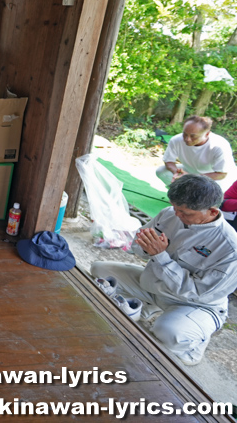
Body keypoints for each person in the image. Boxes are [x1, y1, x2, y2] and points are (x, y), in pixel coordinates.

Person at [91, 174, 237, 366]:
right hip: (155, 285)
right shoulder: (170, 213)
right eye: (176, 208)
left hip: (195, 304)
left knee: (169, 331)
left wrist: (160, 256)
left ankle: (193, 347)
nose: (177, 215)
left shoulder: (229, 247)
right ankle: (150, 306)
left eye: (185, 212)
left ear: (211, 211)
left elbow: (195, 292)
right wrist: (146, 247)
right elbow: (139, 246)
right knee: (99, 269)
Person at [156, 115, 236, 191]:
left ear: (207, 134)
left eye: (193, 136)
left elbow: (221, 174)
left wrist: (191, 177)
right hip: (189, 172)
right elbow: (168, 161)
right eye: (185, 134)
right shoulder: (176, 140)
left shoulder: (219, 146)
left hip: (217, 179)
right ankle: (183, 194)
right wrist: (177, 173)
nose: (187, 139)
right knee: (161, 171)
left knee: (209, 197)